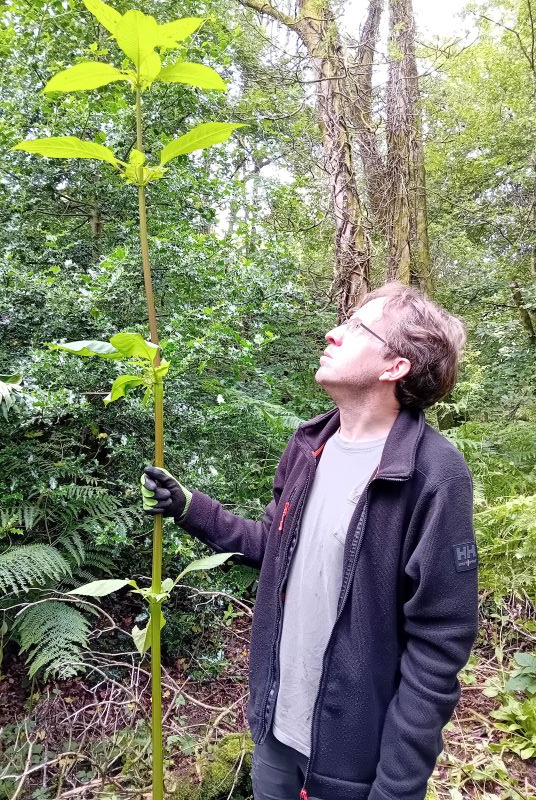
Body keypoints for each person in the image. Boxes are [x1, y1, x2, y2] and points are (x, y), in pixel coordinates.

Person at [142, 282, 478, 800]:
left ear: (395, 367)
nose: (333, 332)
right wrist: (190, 508)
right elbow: (274, 550)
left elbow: (439, 645)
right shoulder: (309, 445)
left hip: (353, 761)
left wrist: (397, 787)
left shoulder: (434, 474)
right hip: (276, 729)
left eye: (356, 327)